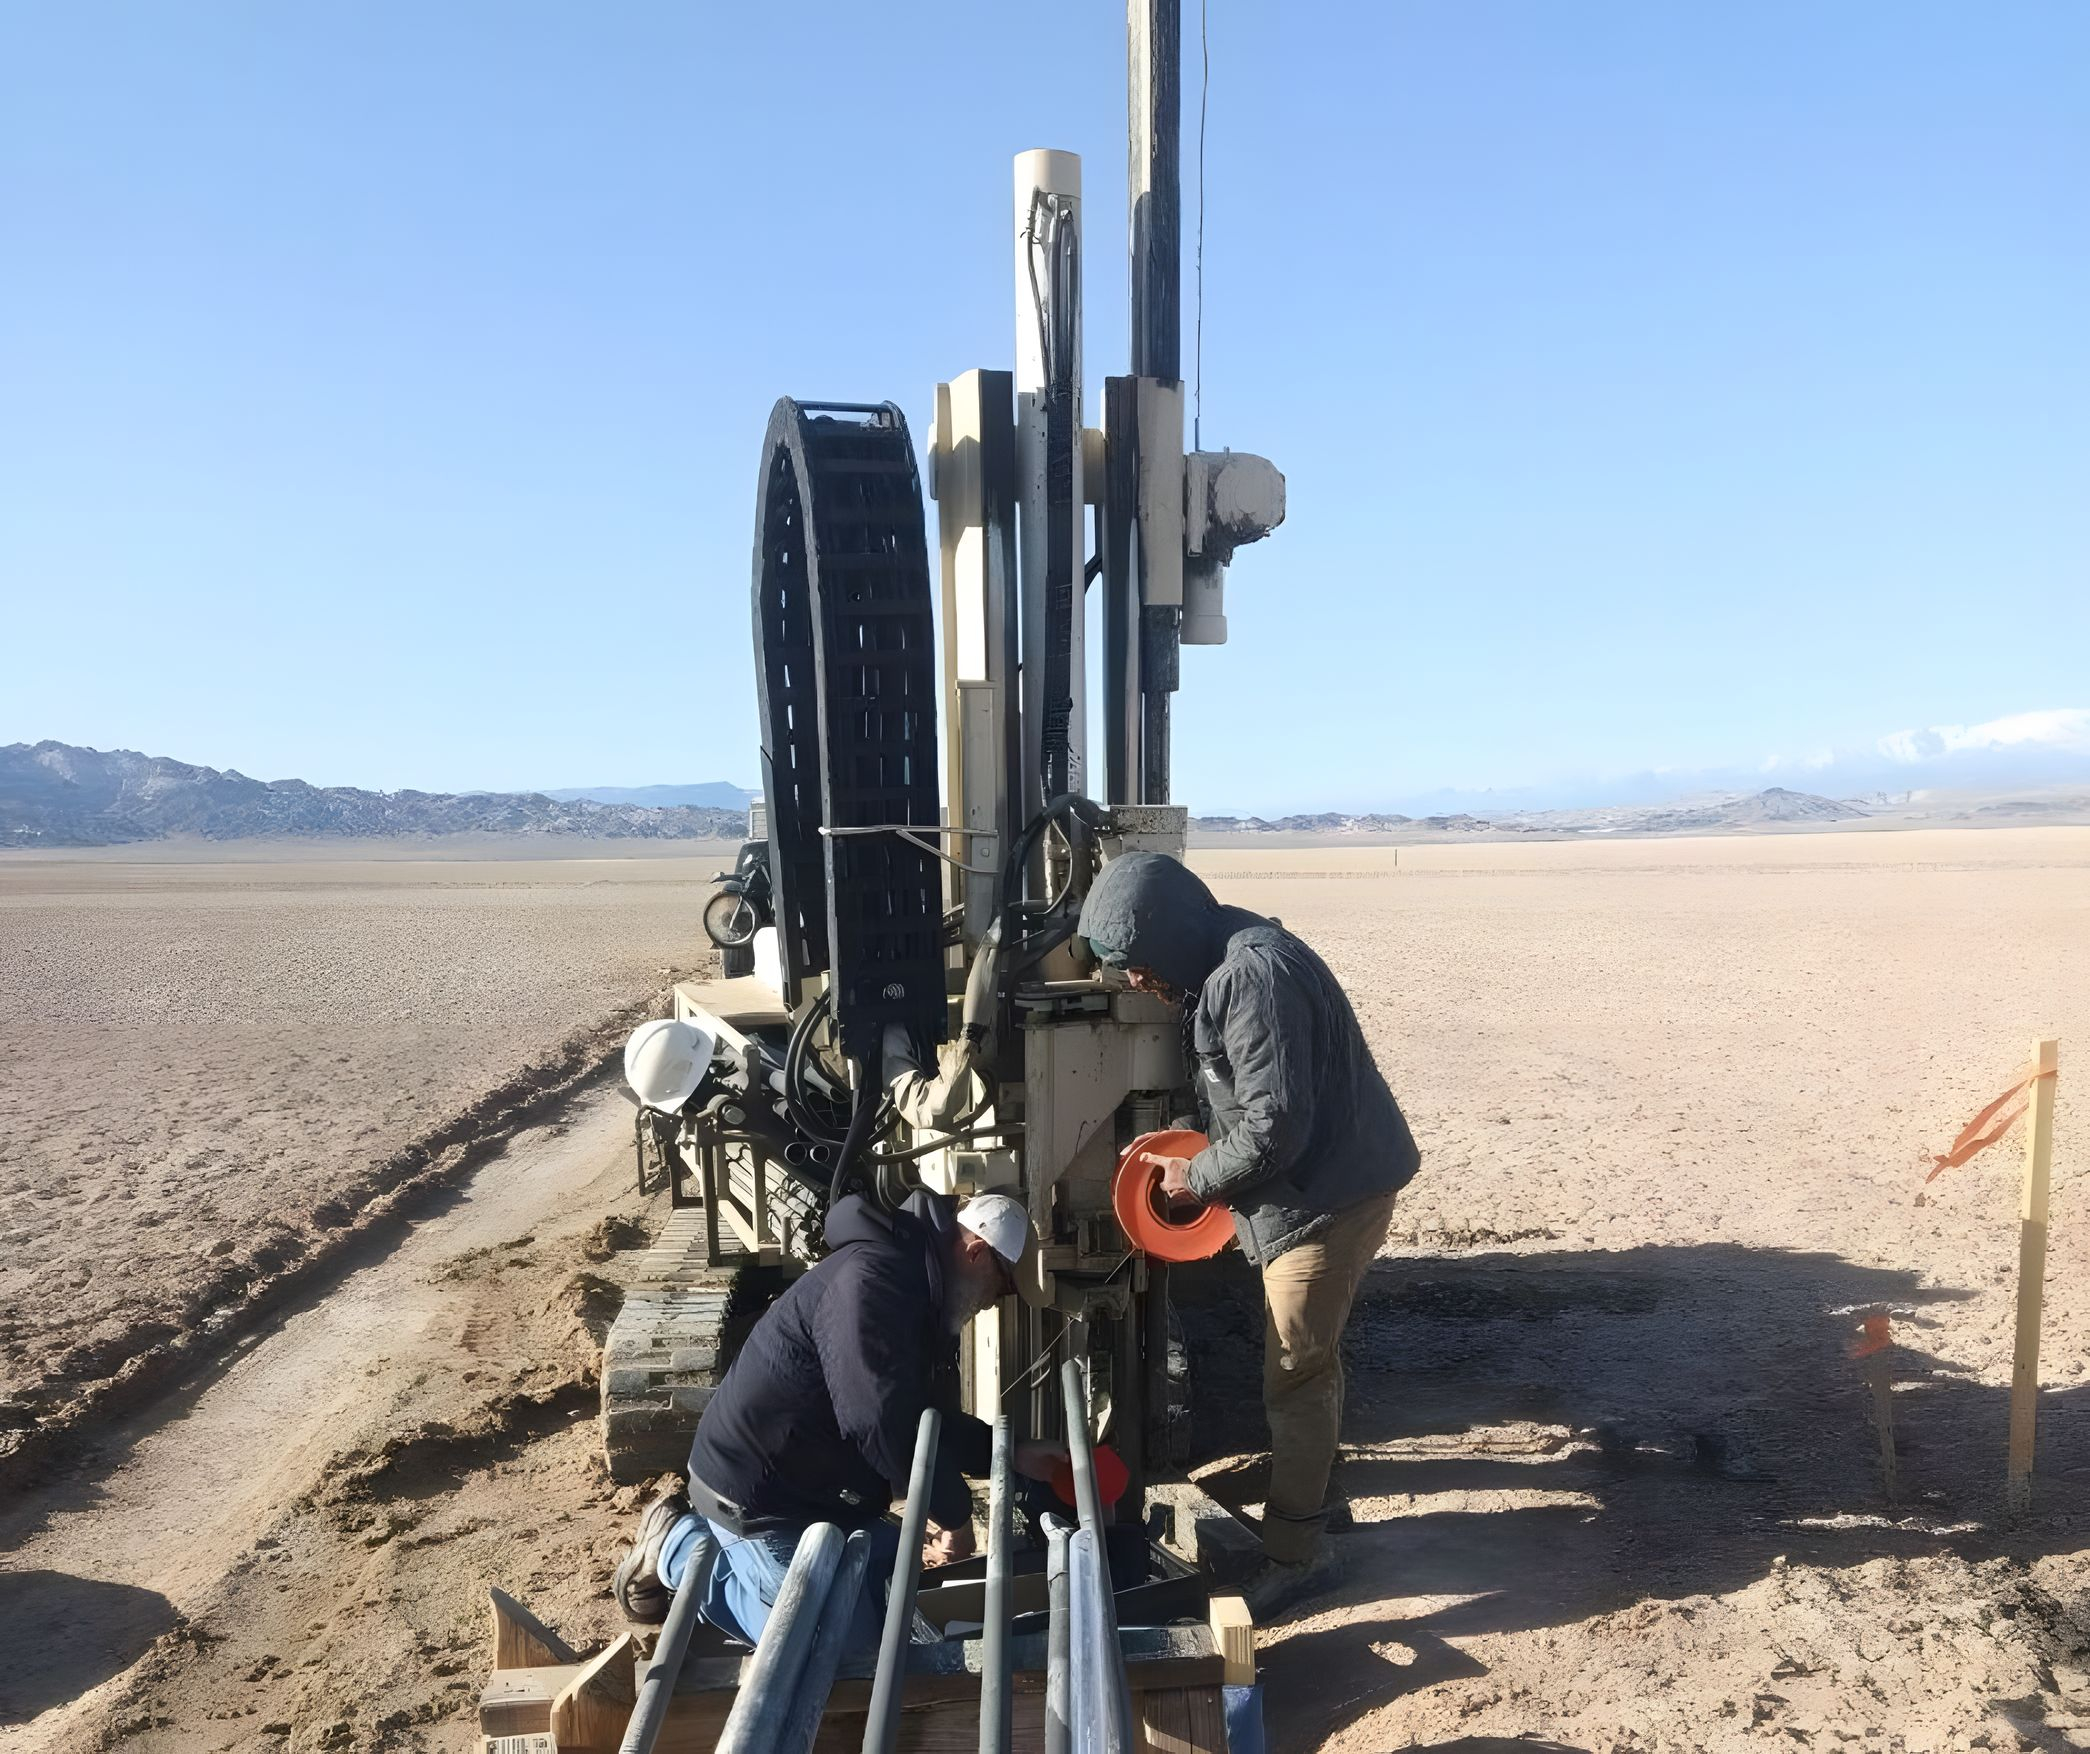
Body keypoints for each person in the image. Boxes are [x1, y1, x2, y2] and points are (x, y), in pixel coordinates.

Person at [1077, 851, 1420, 1615]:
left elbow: (1274, 1130)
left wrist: (1192, 1179)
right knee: (1314, 1362)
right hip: (1329, 1178)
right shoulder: (1225, 960)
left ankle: (1298, 1555)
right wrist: (1192, 1135)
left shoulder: (1249, 979)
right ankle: (1322, 1503)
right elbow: (1250, 1100)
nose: (1132, 981)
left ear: (1165, 937)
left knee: (1294, 1375)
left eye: (1135, 965)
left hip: (1330, 1196)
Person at [611, 1188, 1066, 1647]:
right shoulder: (875, 1281)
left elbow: (927, 1418)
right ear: (976, 1253)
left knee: (889, 1578)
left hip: (819, 1491)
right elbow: (881, 1421)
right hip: (760, 1498)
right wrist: (955, 1516)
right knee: (831, 1656)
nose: (993, 1303)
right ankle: (680, 1548)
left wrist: (1009, 1453)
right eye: (1003, 1286)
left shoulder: (919, 1288)